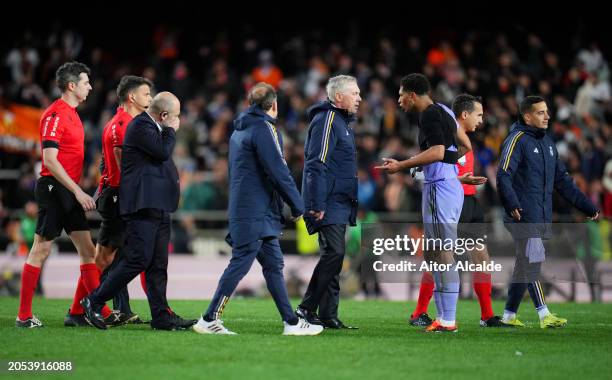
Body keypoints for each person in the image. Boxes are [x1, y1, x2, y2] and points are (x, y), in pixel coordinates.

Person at [192, 83, 323, 336]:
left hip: (250, 208)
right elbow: (278, 171)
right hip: (256, 211)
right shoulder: (265, 128)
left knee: (274, 265)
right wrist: (298, 205)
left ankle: (292, 323)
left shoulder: (239, 130)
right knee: (240, 263)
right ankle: (209, 318)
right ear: (273, 105)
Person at [81, 92, 196, 331]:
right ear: (164, 115)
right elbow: (164, 152)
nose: (178, 120)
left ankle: (161, 316)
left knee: (157, 264)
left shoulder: (151, 128)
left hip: (158, 205)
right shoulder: (142, 126)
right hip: (142, 206)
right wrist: (171, 130)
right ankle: (93, 301)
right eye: (175, 116)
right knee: (137, 259)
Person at [16, 62, 117, 328]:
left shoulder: (73, 114)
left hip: (69, 190)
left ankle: (89, 310)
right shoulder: (55, 115)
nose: (90, 87)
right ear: (71, 86)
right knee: (42, 248)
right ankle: (24, 315)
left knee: (87, 250)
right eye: (85, 82)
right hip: (54, 189)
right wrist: (76, 190)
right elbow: (49, 160)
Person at [376, 73, 471, 332]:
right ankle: (442, 317)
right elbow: (465, 145)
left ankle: (448, 319)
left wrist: (403, 165)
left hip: (439, 190)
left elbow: (439, 151)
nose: (398, 101)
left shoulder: (429, 114)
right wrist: (441, 169)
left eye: (400, 95)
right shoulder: (444, 110)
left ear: (412, 95)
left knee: (441, 253)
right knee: (433, 254)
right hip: (445, 185)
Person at [497, 95, 599, 328]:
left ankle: (509, 316)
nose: (547, 116)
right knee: (532, 260)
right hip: (521, 215)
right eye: (541, 112)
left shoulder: (547, 143)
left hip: (540, 215)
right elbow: (503, 174)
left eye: (547, 112)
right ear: (527, 116)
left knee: (524, 263)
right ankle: (544, 315)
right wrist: (512, 204)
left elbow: (562, 181)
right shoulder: (517, 139)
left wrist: (587, 206)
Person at [408, 94, 507, 328]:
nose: (481, 120)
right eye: (478, 115)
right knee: (441, 257)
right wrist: (458, 179)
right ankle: (421, 312)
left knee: (481, 259)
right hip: (452, 201)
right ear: (464, 115)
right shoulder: (443, 136)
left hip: (471, 203)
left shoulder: (464, 139)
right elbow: (424, 171)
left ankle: (487, 315)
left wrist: (462, 179)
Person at [295, 75, 360, 330]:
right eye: (354, 93)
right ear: (339, 96)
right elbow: (315, 163)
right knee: (335, 253)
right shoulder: (328, 120)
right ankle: (306, 307)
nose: (359, 98)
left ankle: (328, 315)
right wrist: (317, 202)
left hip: (339, 200)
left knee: (333, 256)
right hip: (328, 201)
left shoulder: (341, 122)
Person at [90, 75, 153, 325]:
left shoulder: (124, 122)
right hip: (118, 195)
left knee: (119, 256)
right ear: (132, 97)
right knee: (104, 258)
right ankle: (83, 306)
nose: (149, 97)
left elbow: (106, 162)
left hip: (116, 193)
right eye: (146, 93)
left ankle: (121, 309)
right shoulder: (123, 124)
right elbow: (121, 162)